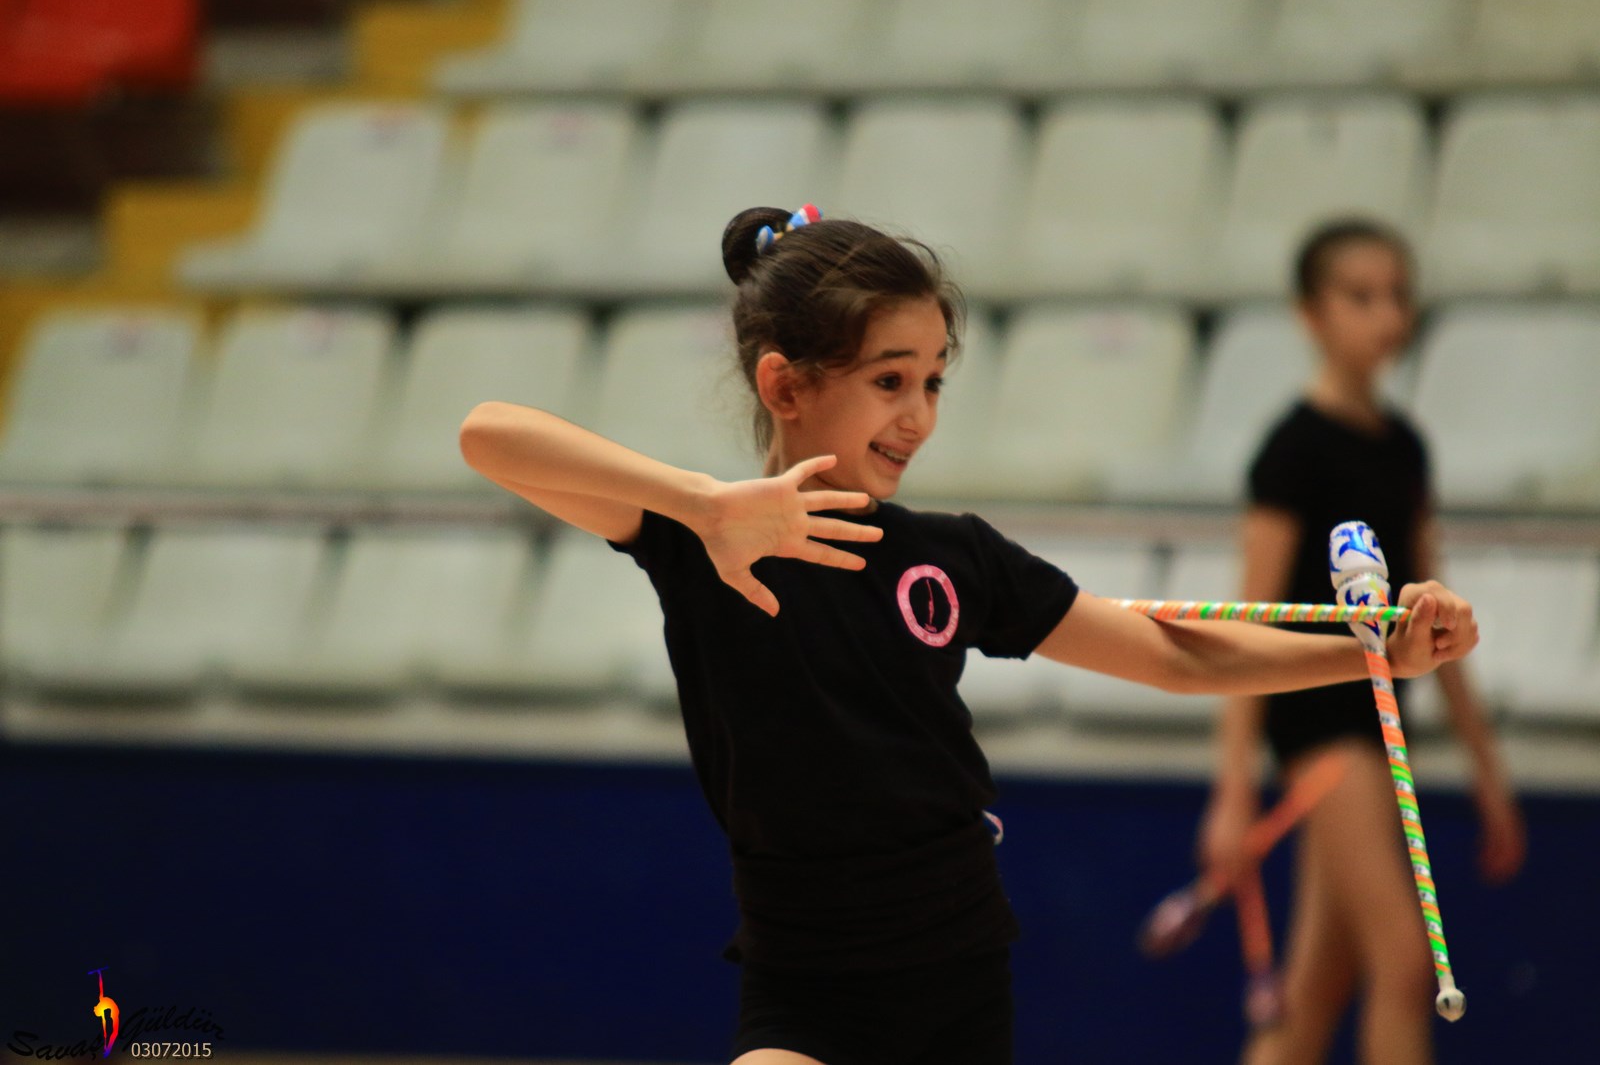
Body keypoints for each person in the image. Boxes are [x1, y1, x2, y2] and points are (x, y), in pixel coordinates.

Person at [459, 205, 1481, 1065]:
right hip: (802, 992)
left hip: (957, 978)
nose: (919, 415)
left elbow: (1172, 654)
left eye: (934, 381)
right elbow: (488, 435)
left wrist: (1374, 653)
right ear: (785, 386)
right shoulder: (699, 543)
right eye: (889, 380)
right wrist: (703, 503)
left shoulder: (955, 557)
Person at [1198, 218, 1526, 1065]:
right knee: (1406, 964)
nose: (1387, 315)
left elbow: (1435, 615)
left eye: (1397, 295)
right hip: (1320, 730)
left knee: (1315, 991)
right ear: (1310, 313)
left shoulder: (1405, 446)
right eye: (1360, 296)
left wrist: (1487, 767)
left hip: (1382, 726)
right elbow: (1246, 619)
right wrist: (1232, 789)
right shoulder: (1292, 450)